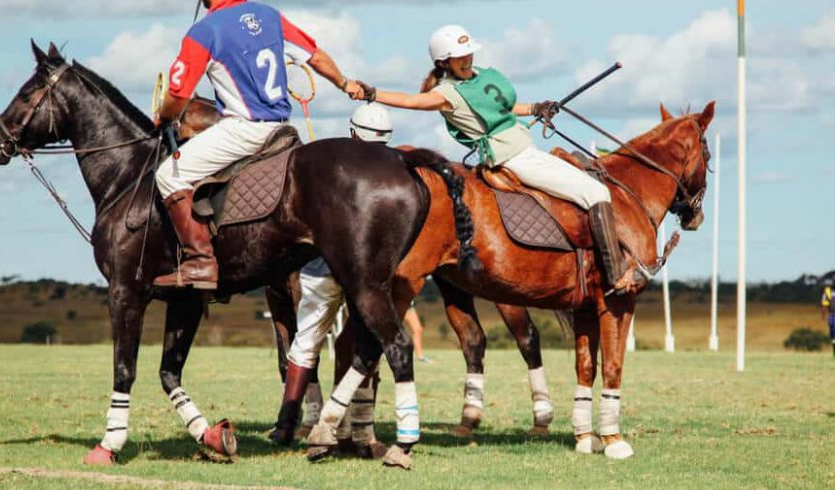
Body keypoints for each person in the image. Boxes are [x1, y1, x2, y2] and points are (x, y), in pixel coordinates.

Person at [353, 25, 635, 293]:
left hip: (527, 149)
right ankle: (616, 273)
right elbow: (412, 101)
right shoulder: (446, 93)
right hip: (514, 159)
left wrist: (536, 107)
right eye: (459, 57)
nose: (467, 59)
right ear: (443, 63)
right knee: (596, 192)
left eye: (468, 53)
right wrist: (374, 93)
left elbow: (505, 108)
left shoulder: (481, 76)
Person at [151, 0, 362, 289]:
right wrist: (344, 83)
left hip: (242, 130)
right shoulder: (269, 16)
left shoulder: (204, 32)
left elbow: (178, 94)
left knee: (168, 174)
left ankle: (200, 262)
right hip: (282, 128)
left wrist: (162, 116)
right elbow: (315, 56)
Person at [271, 103, 394, 457]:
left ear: (353, 133)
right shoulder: (389, 176)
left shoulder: (332, 168)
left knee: (306, 342)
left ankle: (292, 424)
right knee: (367, 346)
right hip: (371, 277)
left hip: (321, 271)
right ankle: (362, 435)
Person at [823, 285, 834, 357]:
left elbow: (824, 307)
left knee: (833, 336)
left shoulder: (826, 295)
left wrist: (823, 316)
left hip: (831, 317)